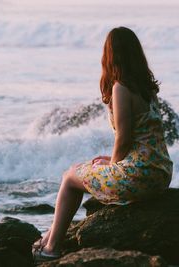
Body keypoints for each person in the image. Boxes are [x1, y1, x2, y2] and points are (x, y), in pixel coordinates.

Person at [32, 26, 173, 260]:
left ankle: (51, 248)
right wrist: (113, 161)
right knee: (87, 167)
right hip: (159, 172)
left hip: (139, 176)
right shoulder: (147, 88)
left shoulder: (121, 87)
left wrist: (113, 166)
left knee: (69, 178)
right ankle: (48, 237)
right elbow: (142, 140)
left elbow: (124, 137)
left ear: (110, 55)